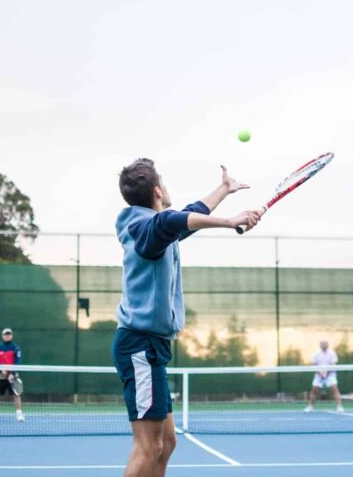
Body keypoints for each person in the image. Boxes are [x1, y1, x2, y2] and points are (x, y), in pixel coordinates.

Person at [112, 158, 261, 477]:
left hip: (153, 347)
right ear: (156, 191)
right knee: (149, 446)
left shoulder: (155, 229)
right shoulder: (144, 228)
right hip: (139, 346)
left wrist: (223, 190)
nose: (167, 188)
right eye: (163, 183)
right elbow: (171, 221)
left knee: (166, 442)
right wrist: (229, 221)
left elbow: (184, 217)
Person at [0, 328, 25, 422]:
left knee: (16, 395)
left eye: (9, 334)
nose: (7, 336)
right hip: (0, 375)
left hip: (13, 375)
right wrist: (0, 370)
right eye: (6, 334)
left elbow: (17, 362)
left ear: (11, 336)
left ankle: (19, 415)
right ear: (2, 336)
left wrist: (12, 373)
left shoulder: (16, 348)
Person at [303, 340, 344, 413]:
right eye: (322, 344)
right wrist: (321, 373)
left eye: (325, 344)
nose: (324, 345)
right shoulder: (316, 353)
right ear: (320, 345)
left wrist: (327, 373)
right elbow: (314, 364)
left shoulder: (332, 353)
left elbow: (333, 364)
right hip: (319, 375)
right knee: (314, 390)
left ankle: (339, 407)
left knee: (334, 389)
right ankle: (310, 407)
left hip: (330, 374)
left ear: (328, 345)